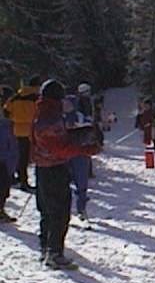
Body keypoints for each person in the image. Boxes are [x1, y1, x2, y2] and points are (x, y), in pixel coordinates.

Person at [31, 80, 100, 269]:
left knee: (48, 211)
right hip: (53, 169)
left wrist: (83, 132)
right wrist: (85, 150)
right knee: (58, 212)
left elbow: (61, 137)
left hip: (45, 168)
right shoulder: (50, 117)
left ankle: (47, 248)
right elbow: (58, 147)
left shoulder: (46, 113)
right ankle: (54, 253)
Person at [4, 75, 41, 191]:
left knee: (15, 156)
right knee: (25, 157)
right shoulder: (36, 98)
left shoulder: (15, 97)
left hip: (15, 130)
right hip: (30, 131)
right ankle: (23, 181)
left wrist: (14, 117)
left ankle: (15, 177)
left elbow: (6, 111)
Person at [63, 94, 94, 222]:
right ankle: (64, 211)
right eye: (65, 104)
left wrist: (78, 128)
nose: (66, 106)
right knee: (63, 183)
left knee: (81, 183)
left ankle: (81, 209)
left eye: (69, 104)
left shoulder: (81, 116)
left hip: (80, 154)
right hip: (64, 154)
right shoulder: (59, 117)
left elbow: (90, 130)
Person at [0, 102, 19, 223]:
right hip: (4, 159)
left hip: (6, 159)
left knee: (4, 187)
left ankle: (1, 210)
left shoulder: (7, 125)